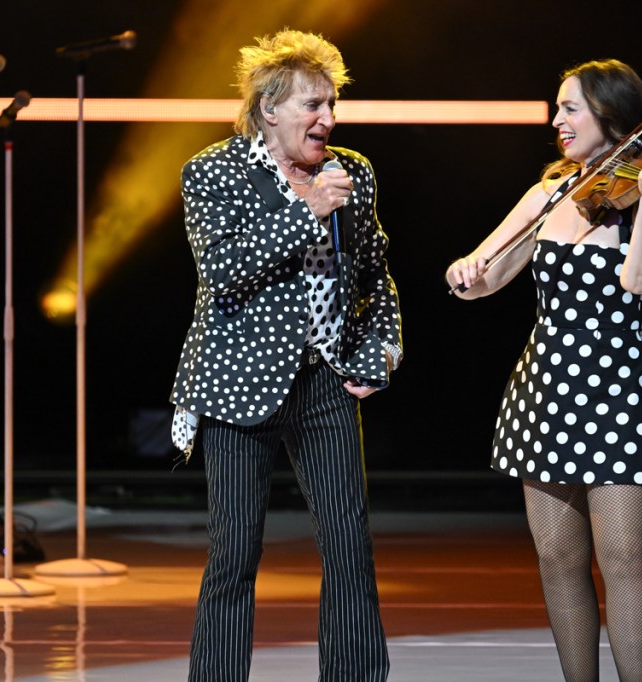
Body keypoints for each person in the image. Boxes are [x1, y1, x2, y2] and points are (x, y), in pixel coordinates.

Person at [170, 28, 403, 682]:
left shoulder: (352, 172)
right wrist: (305, 212)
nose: (327, 119)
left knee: (349, 546)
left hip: (326, 378)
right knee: (235, 556)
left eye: (332, 104)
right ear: (271, 109)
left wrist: (382, 345)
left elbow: (376, 272)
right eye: (312, 105)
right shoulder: (214, 171)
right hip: (237, 383)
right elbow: (222, 268)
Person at [445, 58, 642, 682]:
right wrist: (463, 270)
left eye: (570, 108)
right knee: (556, 557)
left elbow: (640, 281)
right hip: (544, 390)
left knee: (624, 557)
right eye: (558, 108)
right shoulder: (548, 192)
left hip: (619, 390)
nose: (558, 120)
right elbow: (485, 275)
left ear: (611, 115)